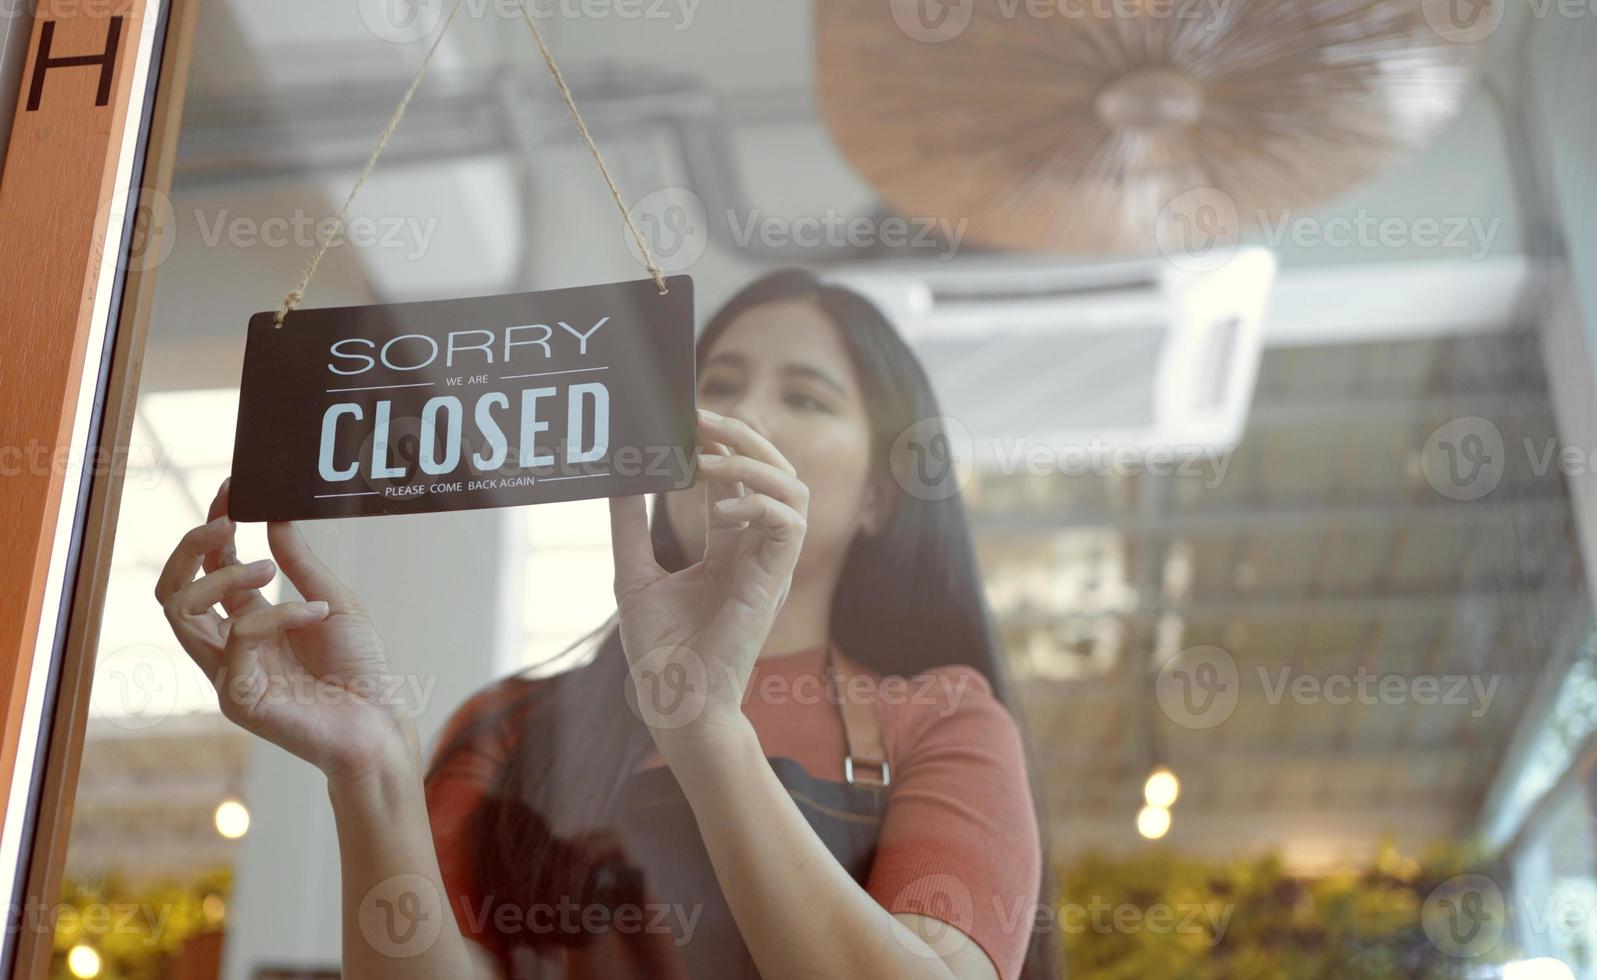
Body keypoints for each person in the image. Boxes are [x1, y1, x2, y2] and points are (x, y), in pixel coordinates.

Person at [155, 268, 1058, 979]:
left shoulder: (941, 720)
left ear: (879, 495)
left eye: (808, 398)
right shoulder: (510, 728)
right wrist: (372, 773)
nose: (742, 415)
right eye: (719, 384)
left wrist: (704, 728)